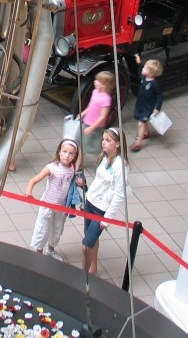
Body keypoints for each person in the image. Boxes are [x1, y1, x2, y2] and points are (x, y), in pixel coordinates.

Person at [82, 127, 128, 275]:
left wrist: (106, 219)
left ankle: (83, 275)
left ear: (118, 144)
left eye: (108, 140)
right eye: (103, 139)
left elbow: (120, 195)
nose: (103, 143)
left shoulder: (121, 167)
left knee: (86, 245)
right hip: (91, 202)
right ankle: (92, 268)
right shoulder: (104, 157)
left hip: (101, 208)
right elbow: (98, 181)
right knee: (91, 238)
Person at [25, 137, 80, 260]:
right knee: (42, 228)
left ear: (75, 155)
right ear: (59, 151)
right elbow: (34, 180)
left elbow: (74, 183)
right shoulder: (52, 167)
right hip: (47, 205)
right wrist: (29, 192)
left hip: (61, 207)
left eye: (71, 153)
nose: (67, 155)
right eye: (65, 151)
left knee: (57, 229)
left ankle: (50, 250)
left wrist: (80, 183)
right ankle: (38, 253)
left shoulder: (73, 168)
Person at [81, 71, 115, 168]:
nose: (95, 82)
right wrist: (84, 112)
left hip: (96, 127)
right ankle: (79, 164)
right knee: (82, 143)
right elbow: (91, 105)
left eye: (98, 81)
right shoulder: (95, 92)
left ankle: (104, 160)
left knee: (96, 146)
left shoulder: (106, 99)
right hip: (87, 122)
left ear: (105, 85)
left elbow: (102, 117)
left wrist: (92, 127)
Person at [131, 58, 164, 152]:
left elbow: (160, 96)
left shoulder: (154, 84)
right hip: (140, 104)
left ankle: (138, 143)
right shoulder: (144, 78)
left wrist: (157, 108)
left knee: (141, 123)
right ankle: (145, 133)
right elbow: (139, 71)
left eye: (146, 67)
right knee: (143, 122)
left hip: (147, 107)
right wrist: (139, 63)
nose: (143, 68)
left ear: (151, 73)